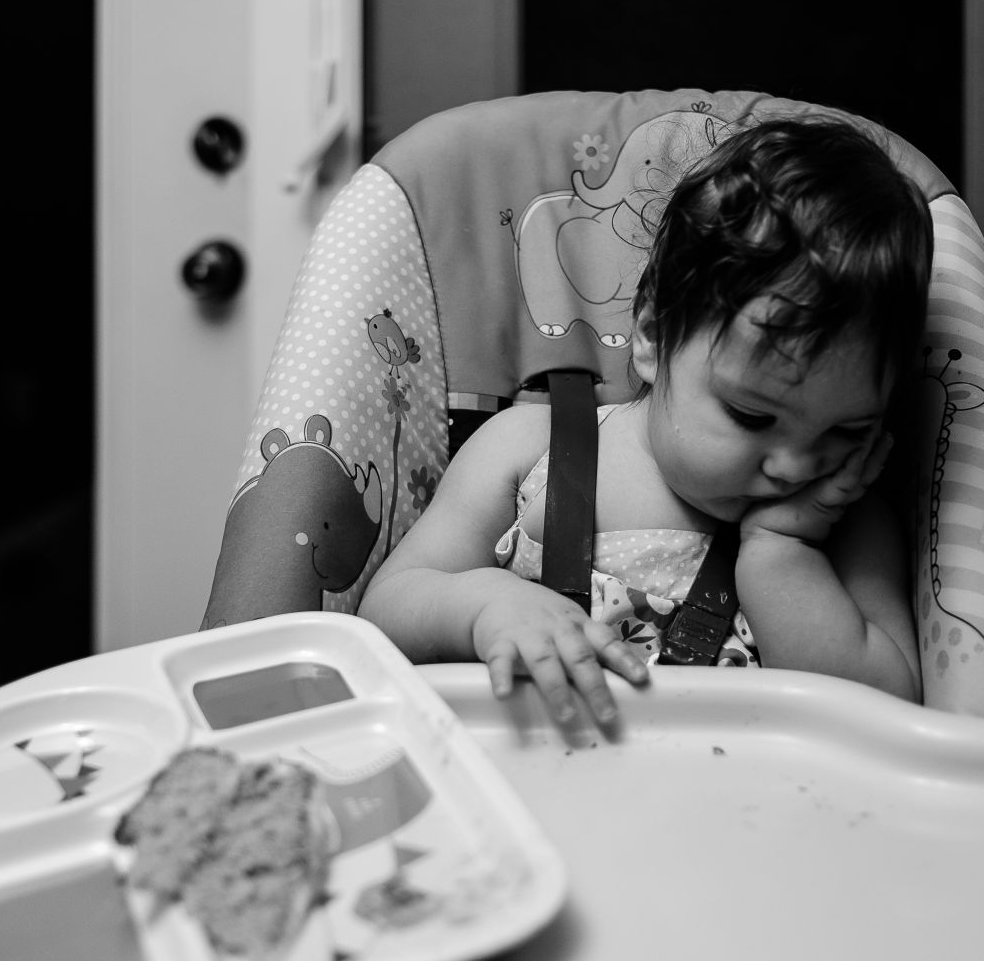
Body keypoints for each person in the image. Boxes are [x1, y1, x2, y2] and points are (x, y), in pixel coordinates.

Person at [357, 116, 932, 727]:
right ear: (654, 335)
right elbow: (385, 611)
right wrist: (481, 606)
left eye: (847, 432)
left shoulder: (845, 522)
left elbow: (890, 711)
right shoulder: (529, 451)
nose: (795, 467)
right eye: (751, 415)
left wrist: (782, 553)